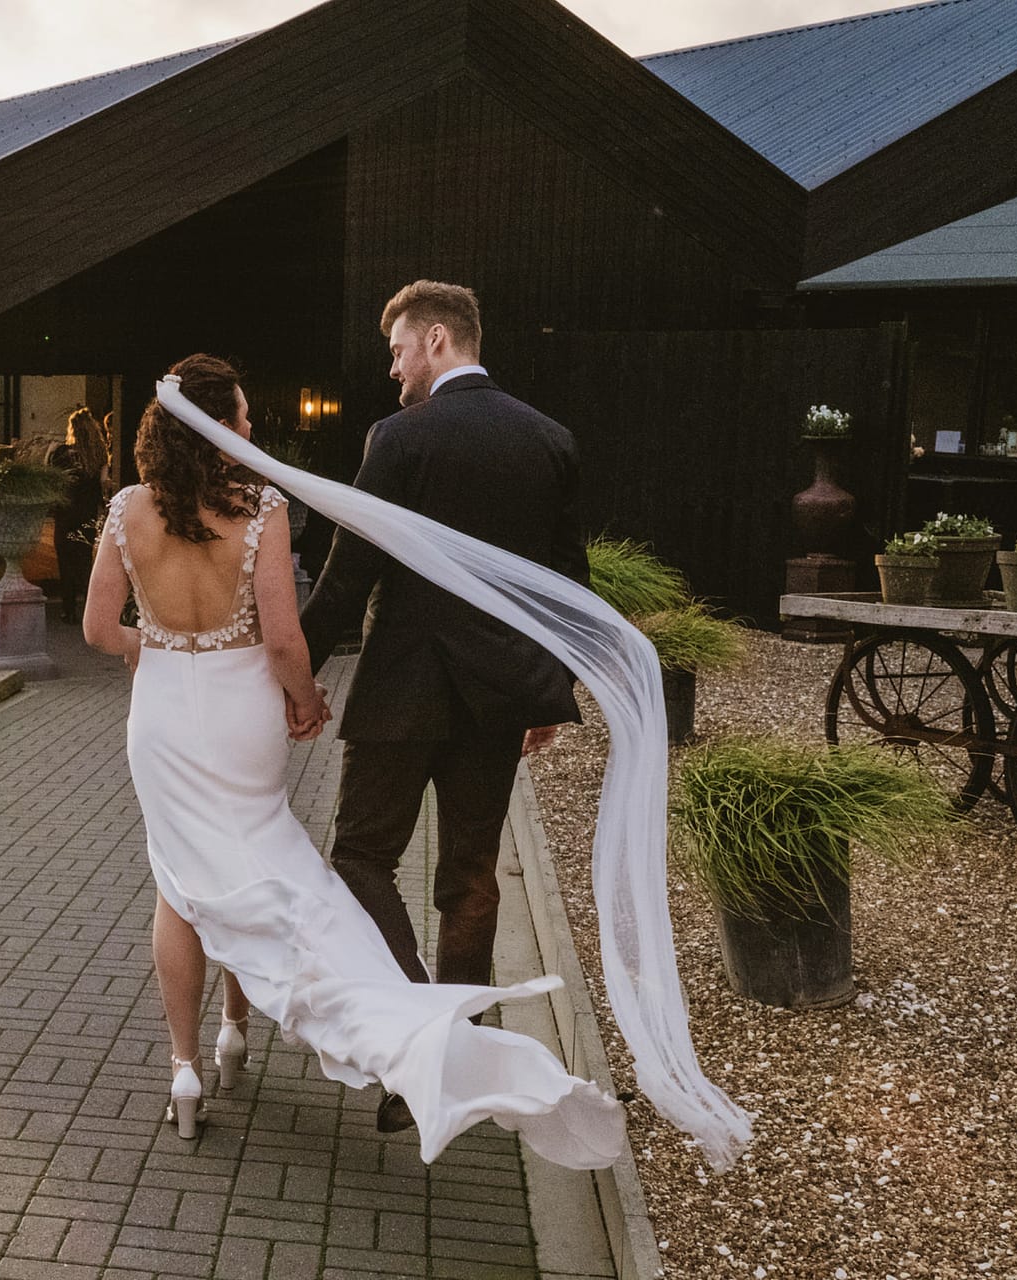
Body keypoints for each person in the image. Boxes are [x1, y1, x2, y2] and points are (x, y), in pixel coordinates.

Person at [84, 352, 623, 1168]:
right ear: (213, 426)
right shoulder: (260, 509)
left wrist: (149, 650)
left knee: (182, 881)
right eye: (242, 418)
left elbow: (96, 630)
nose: (253, 430)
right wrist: (304, 699)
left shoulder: (126, 510)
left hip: (161, 717)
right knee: (259, 860)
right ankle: (270, 1029)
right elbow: (285, 636)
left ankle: (189, 1069)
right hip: (242, 711)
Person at [298, 280, 589, 1133]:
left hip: (405, 690)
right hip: (500, 697)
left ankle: (427, 1034)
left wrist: (288, 674)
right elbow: (567, 583)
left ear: (434, 340)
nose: (392, 374)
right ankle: (460, 1049)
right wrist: (551, 688)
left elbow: (350, 573)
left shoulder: (400, 438)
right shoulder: (551, 440)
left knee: (358, 856)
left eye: (395, 353)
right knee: (469, 880)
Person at [49, 407, 109, 623]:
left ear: (72, 429)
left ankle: (68, 609)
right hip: (87, 514)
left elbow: (53, 483)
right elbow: (104, 484)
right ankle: (91, 610)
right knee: (84, 561)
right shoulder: (99, 456)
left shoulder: (61, 454)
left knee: (65, 562)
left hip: (65, 514)